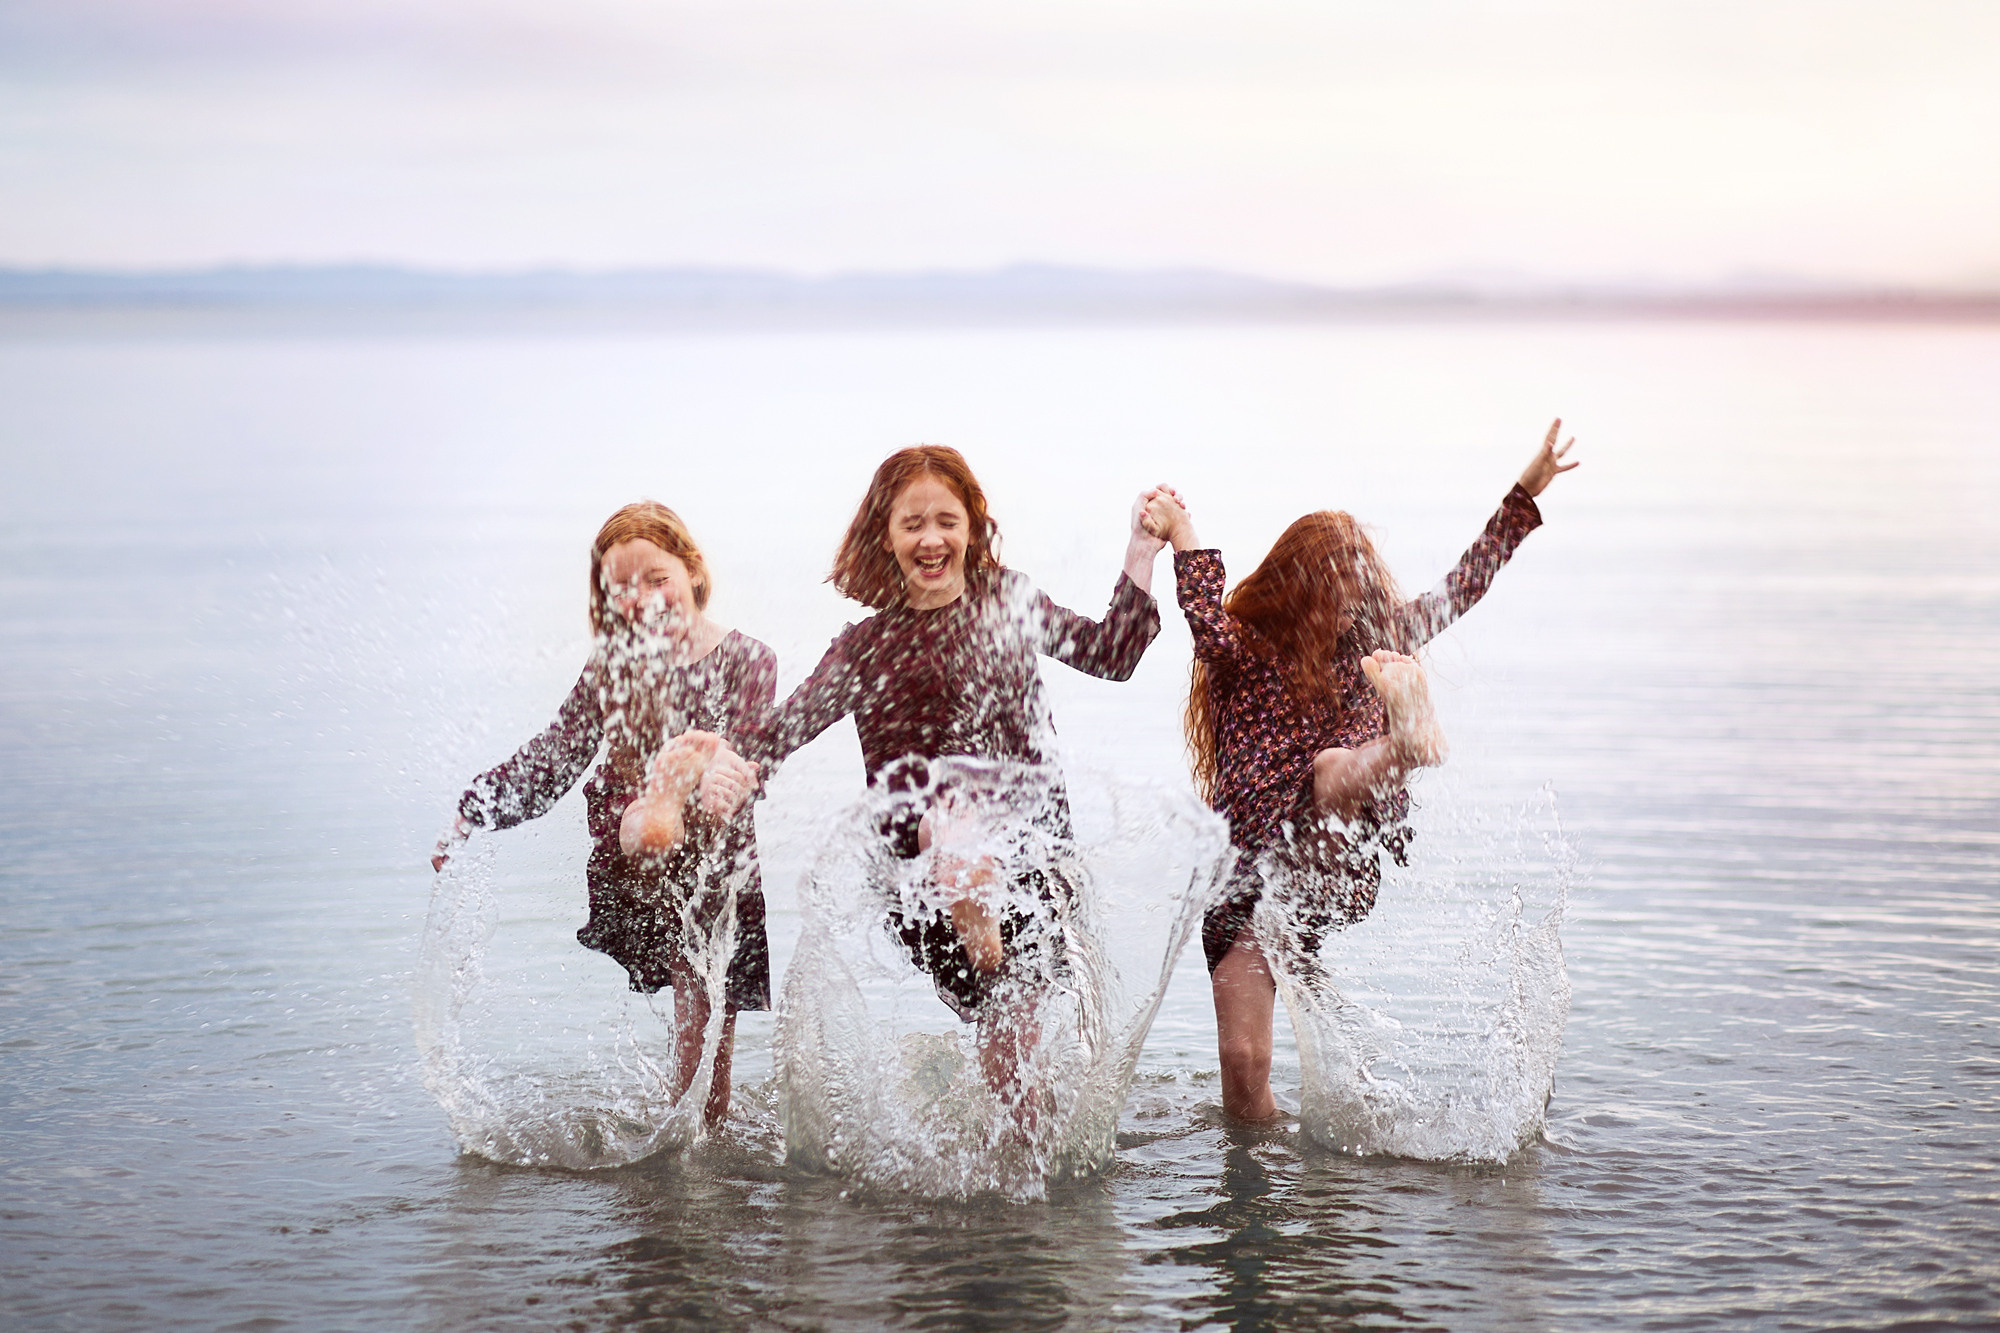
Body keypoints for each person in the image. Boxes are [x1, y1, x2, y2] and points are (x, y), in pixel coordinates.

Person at [1142, 420, 1579, 1121]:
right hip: (1250, 878)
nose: (1348, 604)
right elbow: (1200, 610)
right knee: (1243, 1063)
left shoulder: (1372, 644)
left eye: (1355, 587)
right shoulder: (1242, 650)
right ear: (1296, 584)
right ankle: (1260, 1187)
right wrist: (1182, 528)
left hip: (1333, 852)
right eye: (1334, 589)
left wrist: (1523, 494)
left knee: (1328, 769)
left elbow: (1463, 585)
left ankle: (1406, 742)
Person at [739, 445, 1172, 1118]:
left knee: (1012, 1058)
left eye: (947, 519)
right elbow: (779, 734)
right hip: (923, 885)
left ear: (972, 525)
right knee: (949, 814)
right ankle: (960, 863)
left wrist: (1141, 549)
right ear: (885, 536)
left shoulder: (1009, 602)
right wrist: (718, 766)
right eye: (913, 524)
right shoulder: (864, 650)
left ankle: (1018, 1183)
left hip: (1030, 858)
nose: (932, 538)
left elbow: (1110, 655)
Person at [430, 501, 772, 1129]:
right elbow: (553, 760)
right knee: (697, 994)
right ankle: (659, 802)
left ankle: (694, 1153)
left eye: (656, 579)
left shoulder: (749, 659)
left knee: (708, 1034)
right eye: (622, 588)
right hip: (632, 846)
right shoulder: (612, 670)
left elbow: (755, 753)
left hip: (716, 860)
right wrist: (474, 808)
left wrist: (727, 775)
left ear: (692, 571)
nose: (641, 599)